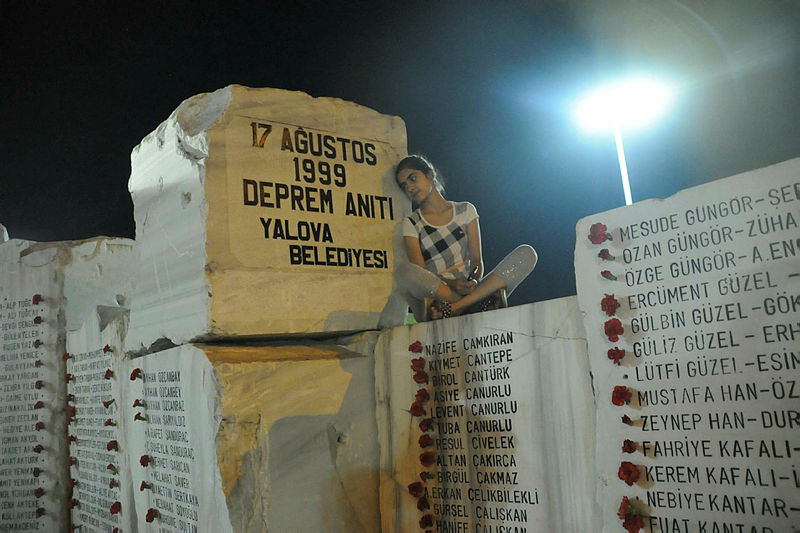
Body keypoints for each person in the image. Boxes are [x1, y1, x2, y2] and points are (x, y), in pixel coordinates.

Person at [395, 155, 537, 320]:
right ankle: (474, 303)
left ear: (430, 174)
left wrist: (473, 280)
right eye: (404, 186)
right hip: (438, 294)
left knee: (527, 254)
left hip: (468, 289)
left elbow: (476, 262)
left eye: (413, 179)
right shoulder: (412, 222)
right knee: (405, 272)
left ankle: (458, 307)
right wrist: (451, 284)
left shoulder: (466, 210)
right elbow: (420, 273)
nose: (410, 187)